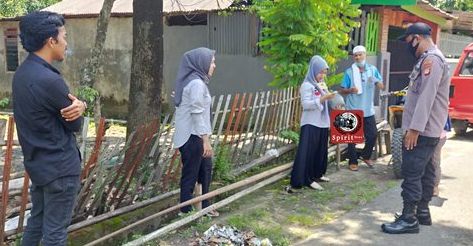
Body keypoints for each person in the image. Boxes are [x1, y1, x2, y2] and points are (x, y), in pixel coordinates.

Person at [12, 11, 87, 245]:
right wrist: (81, 107)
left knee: (36, 224)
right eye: (64, 37)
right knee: (55, 233)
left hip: (39, 164)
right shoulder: (50, 80)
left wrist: (80, 105)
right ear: (51, 41)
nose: (66, 43)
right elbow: (74, 123)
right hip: (60, 167)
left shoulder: (22, 74)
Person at [382, 22, 450, 234]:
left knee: (411, 172)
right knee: (427, 171)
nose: (408, 46)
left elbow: (426, 97)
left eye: (408, 41)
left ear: (417, 38)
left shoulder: (431, 60)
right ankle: (422, 212)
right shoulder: (431, 58)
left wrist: (414, 129)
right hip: (430, 129)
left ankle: (409, 218)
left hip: (422, 130)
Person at [173, 47, 218, 216]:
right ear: (201, 63)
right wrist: (205, 140)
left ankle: (204, 206)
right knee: (191, 174)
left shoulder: (194, 82)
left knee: (205, 169)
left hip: (194, 135)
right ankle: (185, 211)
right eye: (212, 62)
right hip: (193, 137)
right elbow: (197, 113)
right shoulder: (196, 84)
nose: (214, 65)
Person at [288, 55, 336, 192]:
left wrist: (329, 97)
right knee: (308, 152)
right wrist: (321, 99)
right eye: (320, 72)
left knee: (320, 151)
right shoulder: (306, 86)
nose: (322, 75)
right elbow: (306, 105)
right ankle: (307, 179)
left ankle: (317, 174)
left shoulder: (321, 84)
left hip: (322, 122)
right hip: (310, 123)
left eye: (324, 73)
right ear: (313, 70)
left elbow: (325, 99)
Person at [339, 45, 384, 171]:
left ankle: (365, 155)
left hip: (368, 109)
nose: (358, 57)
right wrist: (350, 90)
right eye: (356, 55)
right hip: (353, 108)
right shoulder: (349, 72)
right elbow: (342, 90)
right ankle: (352, 161)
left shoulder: (372, 69)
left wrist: (376, 81)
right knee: (352, 137)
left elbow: (381, 86)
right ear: (353, 57)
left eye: (360, 54)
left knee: (373, 135)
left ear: (365, 55)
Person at [432, 117, 451, 196]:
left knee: (434, 162)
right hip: (435, 134)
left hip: (437, 135)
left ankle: (435, 187)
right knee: (433, 161)